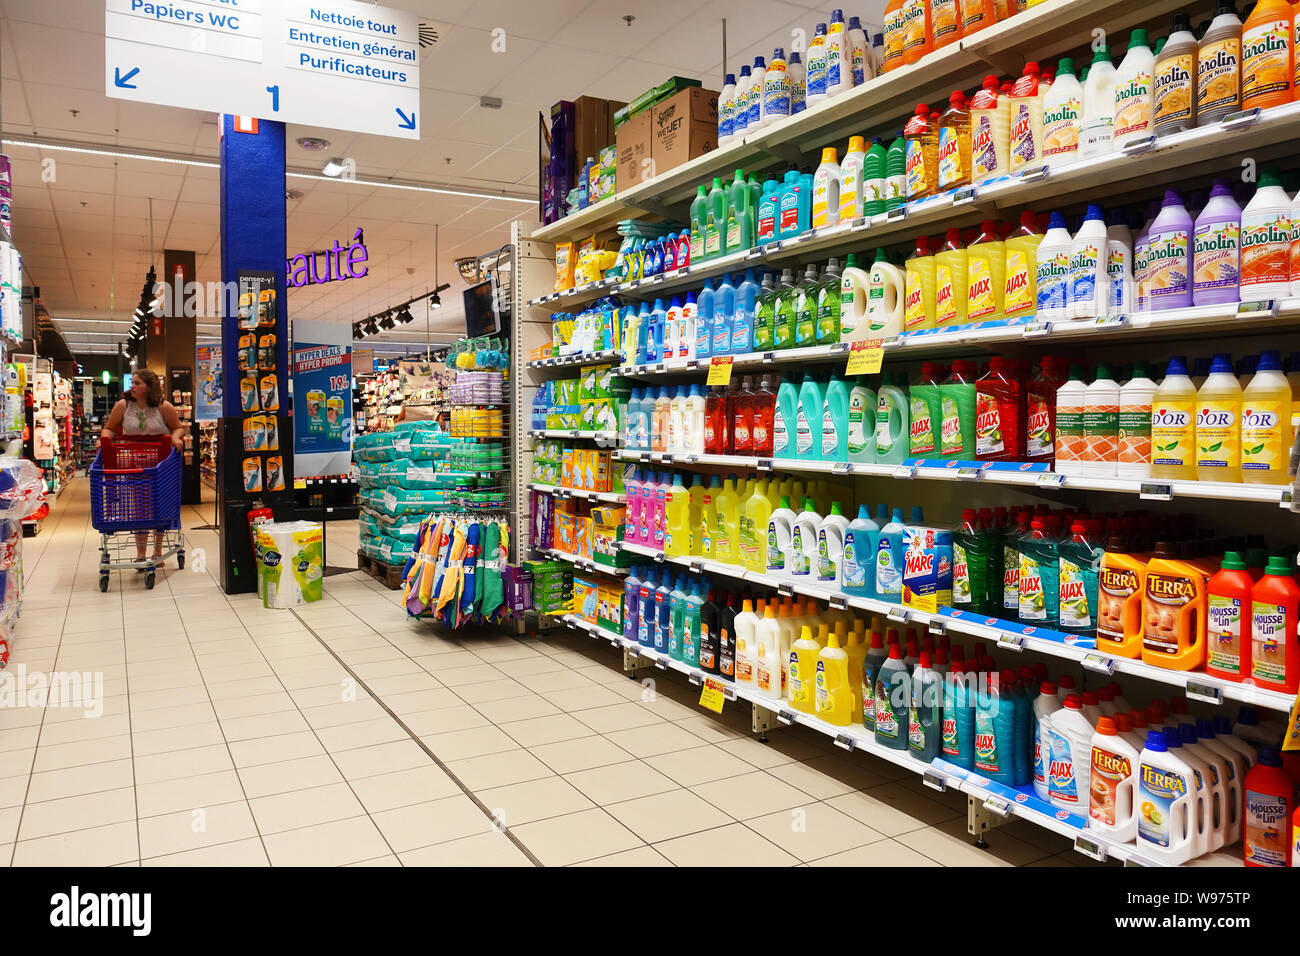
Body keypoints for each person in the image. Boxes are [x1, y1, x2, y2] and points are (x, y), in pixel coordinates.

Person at [100, 369, 187, 567]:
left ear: (149, 386)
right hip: (133, 464)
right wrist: (105, 439)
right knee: (139, 509)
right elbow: (110, 428)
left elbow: (178, 427)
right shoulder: (123, 406)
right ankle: (141, 554)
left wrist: (174, 437)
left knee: (159, 506)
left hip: (161, 464)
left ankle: (157, 550)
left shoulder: (164, 407)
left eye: (137, 383)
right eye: (132, 382)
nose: (133, 386)